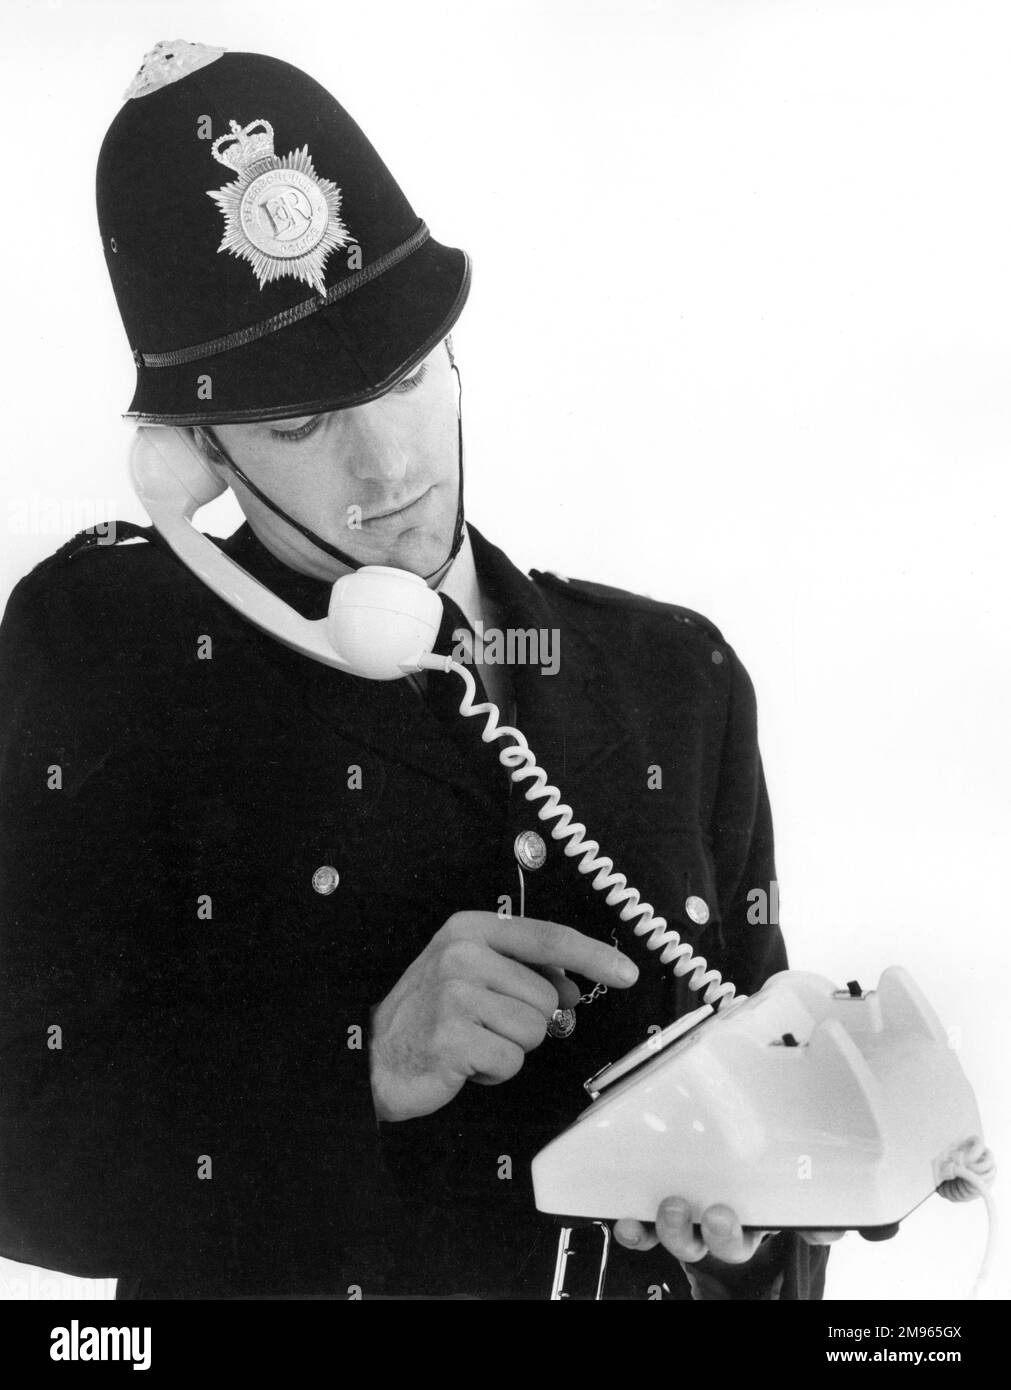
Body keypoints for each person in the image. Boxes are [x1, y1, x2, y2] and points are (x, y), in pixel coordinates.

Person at [0, 41, 834, 1300]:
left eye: (401, 379)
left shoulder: (679, 675)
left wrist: (766, 1216)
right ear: (194, 458)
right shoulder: (106, 654)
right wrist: (363, 1064)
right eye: (298, 424)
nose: (388, 471)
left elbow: (771, 1171)